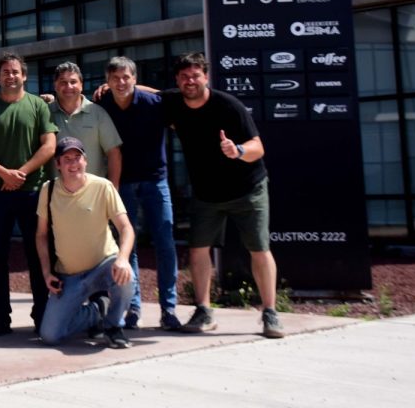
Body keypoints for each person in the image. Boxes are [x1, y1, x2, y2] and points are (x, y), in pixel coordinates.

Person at [163, 52, 284, 339]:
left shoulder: (229, 106)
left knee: (259, 249)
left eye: (195, 75)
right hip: (207, 194)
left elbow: (258, 146)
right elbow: (147, 92)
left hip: (248, 188)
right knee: (198, 249)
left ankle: (270, 312)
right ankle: (204, 310)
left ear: (206, 76)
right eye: (184, 77)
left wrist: (238, 151)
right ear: (178, 80)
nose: (190, 81)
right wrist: (110, 87)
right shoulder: (173, 103)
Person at [0, 53, 57, 336]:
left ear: (24, 76)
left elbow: (49, 146)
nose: (11, 76)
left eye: (16, 71)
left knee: (38, 255)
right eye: (6, 72)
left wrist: (20, 173)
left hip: (32, 192)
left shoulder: (37, 106)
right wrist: (4, 175)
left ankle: (42, 315)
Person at [97, 56, 181, 331]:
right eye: (115, 78)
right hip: (122, 184)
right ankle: (133, 308)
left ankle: (169, 309)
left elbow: (172, 98)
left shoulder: (154, 104)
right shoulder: (102, 105)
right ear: (107, 82)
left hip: (156, 181)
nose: (121, 82)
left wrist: (143, 89)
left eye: (126, 77)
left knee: (165, 243)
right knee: (126, 245)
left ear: (135, 79)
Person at [36, 137, 136, 349]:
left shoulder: (103, 187)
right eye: (67, 159)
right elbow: (41, 235)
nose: (74, 164)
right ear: (58, 165)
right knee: (50, 335)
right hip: (69, 276)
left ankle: (113, 327)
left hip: (104, 266)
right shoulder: (48, 190)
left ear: (86, 161)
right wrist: (47, 273)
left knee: (126, 278)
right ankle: (97, 311)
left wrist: (123, 259)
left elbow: (126, 228)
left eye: (78, 157)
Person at [49, 62, 122, 187]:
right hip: (58, 195)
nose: (68, 86)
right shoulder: (45, 113)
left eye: (73, 82)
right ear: (55, 85)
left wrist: (113, 190)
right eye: (63, 82)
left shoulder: (98, 113)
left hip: (93, 193)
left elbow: (114, 153)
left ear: (81, 85)